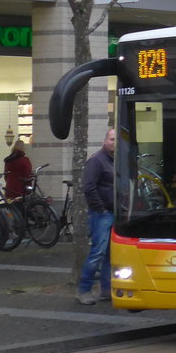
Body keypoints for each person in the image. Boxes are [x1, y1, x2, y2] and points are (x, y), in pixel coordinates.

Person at [79, 128, 116, 305]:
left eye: (117, 139)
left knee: (111, 254)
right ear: (105, 141)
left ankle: (106, 290)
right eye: (112, 139)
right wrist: (100, 209)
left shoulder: (118, 161)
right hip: (102, 214)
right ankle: (84, 290)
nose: (114, 143)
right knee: (97, 253)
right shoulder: (96, 161)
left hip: (115, 212)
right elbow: (88, 187)